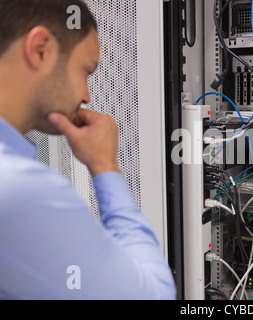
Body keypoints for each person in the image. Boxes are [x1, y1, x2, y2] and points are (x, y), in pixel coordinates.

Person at [0, 0, 176, 300]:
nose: (87, 95)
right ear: (40, 49)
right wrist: (105, 166)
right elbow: (154, 295)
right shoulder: (18, 186)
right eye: (86, 71)